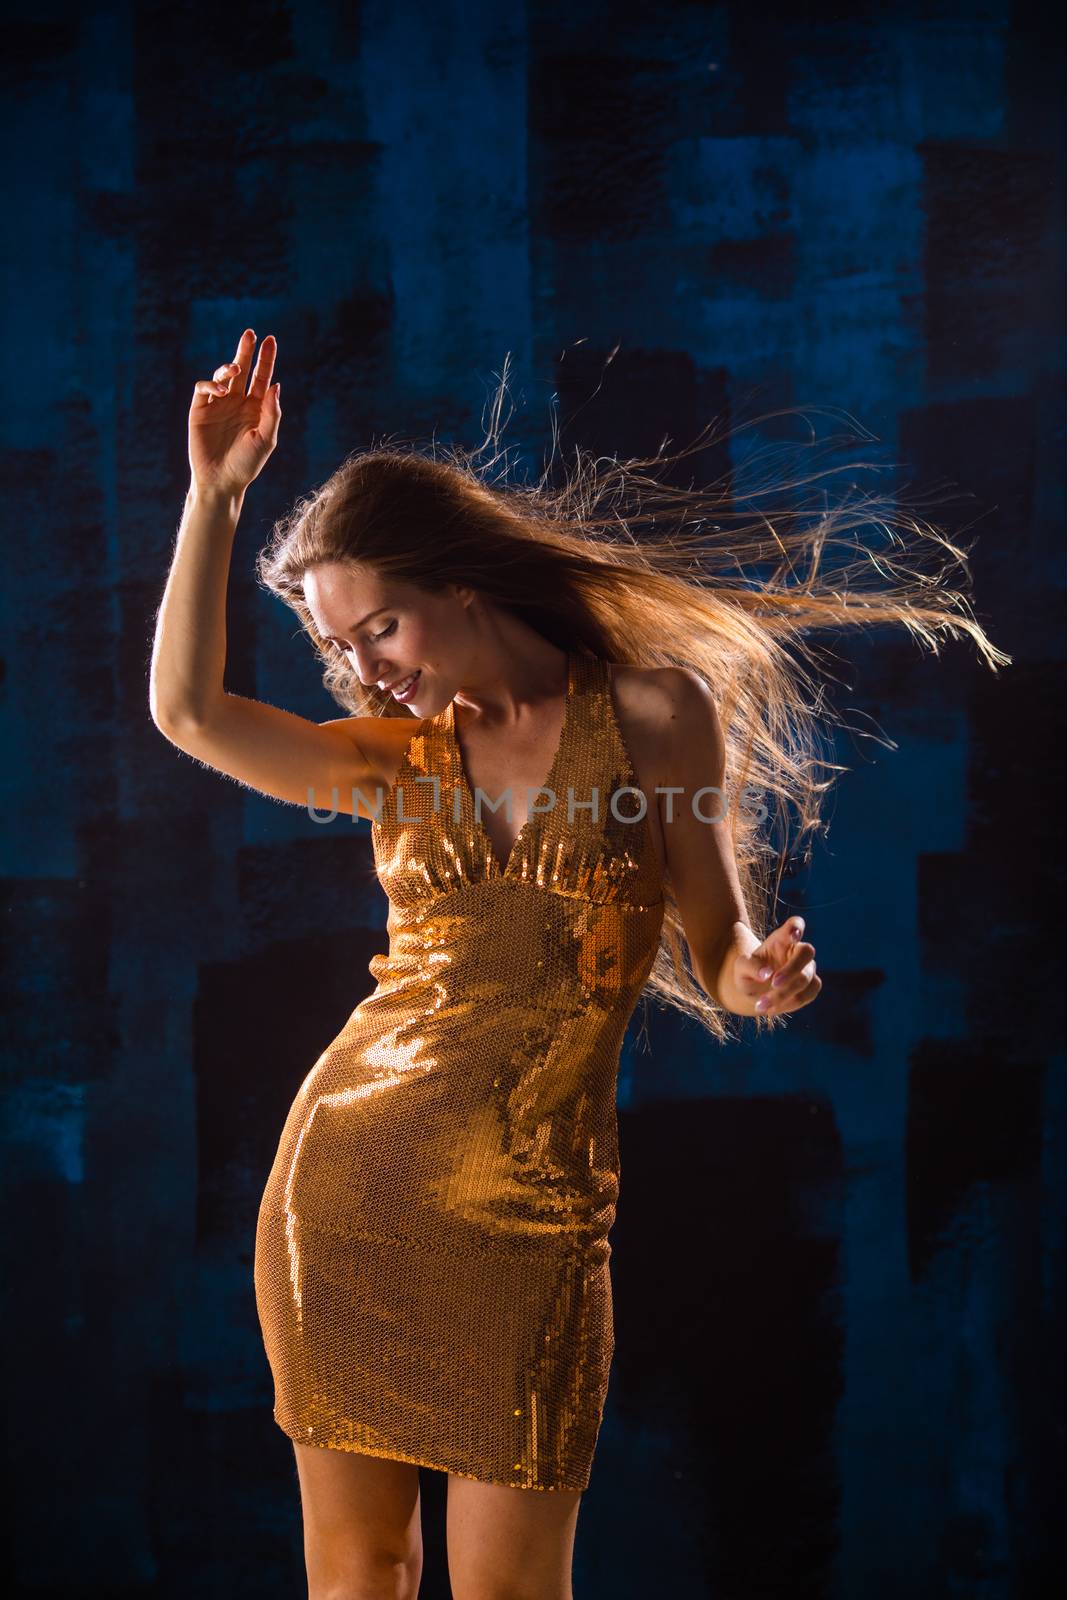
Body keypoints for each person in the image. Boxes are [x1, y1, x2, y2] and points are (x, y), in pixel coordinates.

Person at [150, 329, 1009, 1599]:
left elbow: (713, 935)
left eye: (377, 626)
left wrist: (752, 978)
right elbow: (188, 715)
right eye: (342, 650)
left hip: (538, 1211)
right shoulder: (391, 757)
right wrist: (214, 494)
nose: (365, 667)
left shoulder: (654, 716)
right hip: (348, 1187)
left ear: (457, 581)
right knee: (361, 1574)